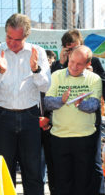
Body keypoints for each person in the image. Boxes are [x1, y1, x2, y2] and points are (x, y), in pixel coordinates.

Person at [0, 13, 51, 195]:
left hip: (30, 117)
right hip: (3, 117)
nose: (12, 43)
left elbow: (46, 86)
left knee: (33, 172)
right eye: (9, 37)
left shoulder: (38, 52)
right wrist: (0, 71)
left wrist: (35, 69)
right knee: (5, 172)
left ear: (26, 36)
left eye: (17, 39)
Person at [51, 29, 105, 194]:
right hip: (63, 130)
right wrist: (60, 63)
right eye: (69, 49)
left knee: (92, 167)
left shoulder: (93, 62)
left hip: (89, 126)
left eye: (75, 47)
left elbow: (102, 84)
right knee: (64, 172)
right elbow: (49, 93)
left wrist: (90, 73)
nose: (73, 53)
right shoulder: (58, 66)